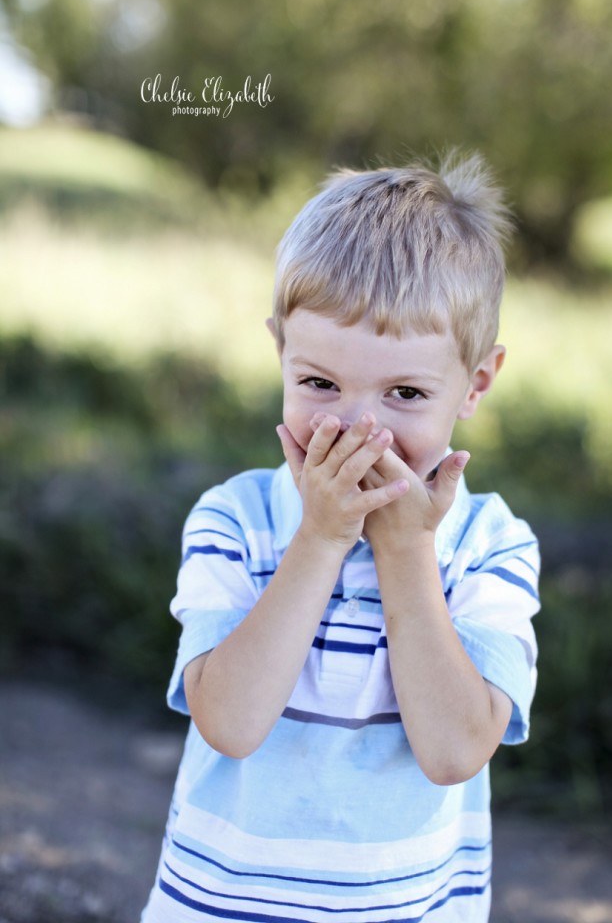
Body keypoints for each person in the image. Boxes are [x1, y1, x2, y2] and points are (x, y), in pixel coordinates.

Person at [141, 151, 540, 923]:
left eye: (405, 393)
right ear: (280, 352)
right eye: (319, 383)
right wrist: (321, 539)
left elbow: (456, 751)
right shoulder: (236, 519)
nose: (361, 427)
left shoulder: (492, 543)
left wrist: (405, 550)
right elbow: (227, 723)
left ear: (476, 384)